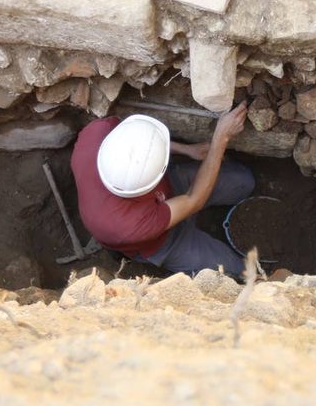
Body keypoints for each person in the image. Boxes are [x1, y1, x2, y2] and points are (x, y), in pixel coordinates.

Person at [70, 102, 253, 277]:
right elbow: (193, 200)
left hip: (170, 189)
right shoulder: (127, 225)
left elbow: (143, 142)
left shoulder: (96, 134)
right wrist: (221, 138)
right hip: (165, 242)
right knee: (238, 269)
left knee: (244, 182)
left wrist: (187, 150)